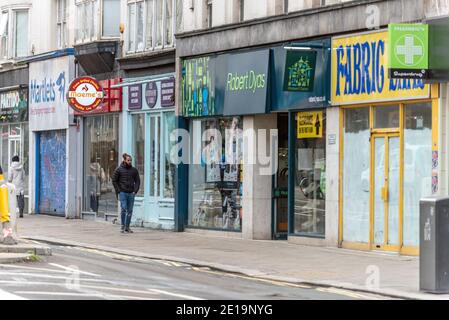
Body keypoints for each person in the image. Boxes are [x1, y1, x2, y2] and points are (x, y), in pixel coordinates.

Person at [112, 153, 140, 233]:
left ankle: (127, 227)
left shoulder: (134, 170)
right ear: (124, 160)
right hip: (122, 192)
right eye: (128, 160)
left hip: (131, 193)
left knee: (130, 210)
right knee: (124, 208)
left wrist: (135, 191)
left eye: (131, 160)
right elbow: (114, 180)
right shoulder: (119, 169)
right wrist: (118, 190)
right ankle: (122, 226)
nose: (130, 161)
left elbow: (137, 181)